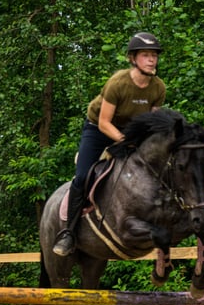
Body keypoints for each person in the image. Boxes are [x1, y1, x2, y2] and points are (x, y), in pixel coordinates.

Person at [52, 31, 166, 256]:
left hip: (131, 131)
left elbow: (151, 124)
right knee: (84, 176)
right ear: (133, 59)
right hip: (98, 130)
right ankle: (68, 233)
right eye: (146, 55)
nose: (152, 59)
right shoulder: (118, 83)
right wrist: (127, 142)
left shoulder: (158, 87)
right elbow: (104, 123)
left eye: (154, 55)